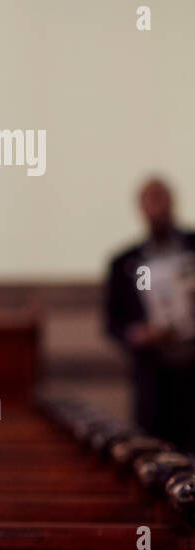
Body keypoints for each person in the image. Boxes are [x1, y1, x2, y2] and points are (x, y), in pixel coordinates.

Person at [104, 177, 195, 450]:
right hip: (154, 380)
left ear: (173, 202)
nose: (157, 208)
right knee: (155, 455)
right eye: (150, 201)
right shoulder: (123, 262)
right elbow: (113, 321)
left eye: (161, 199)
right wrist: (138, 334)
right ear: (140, 208)